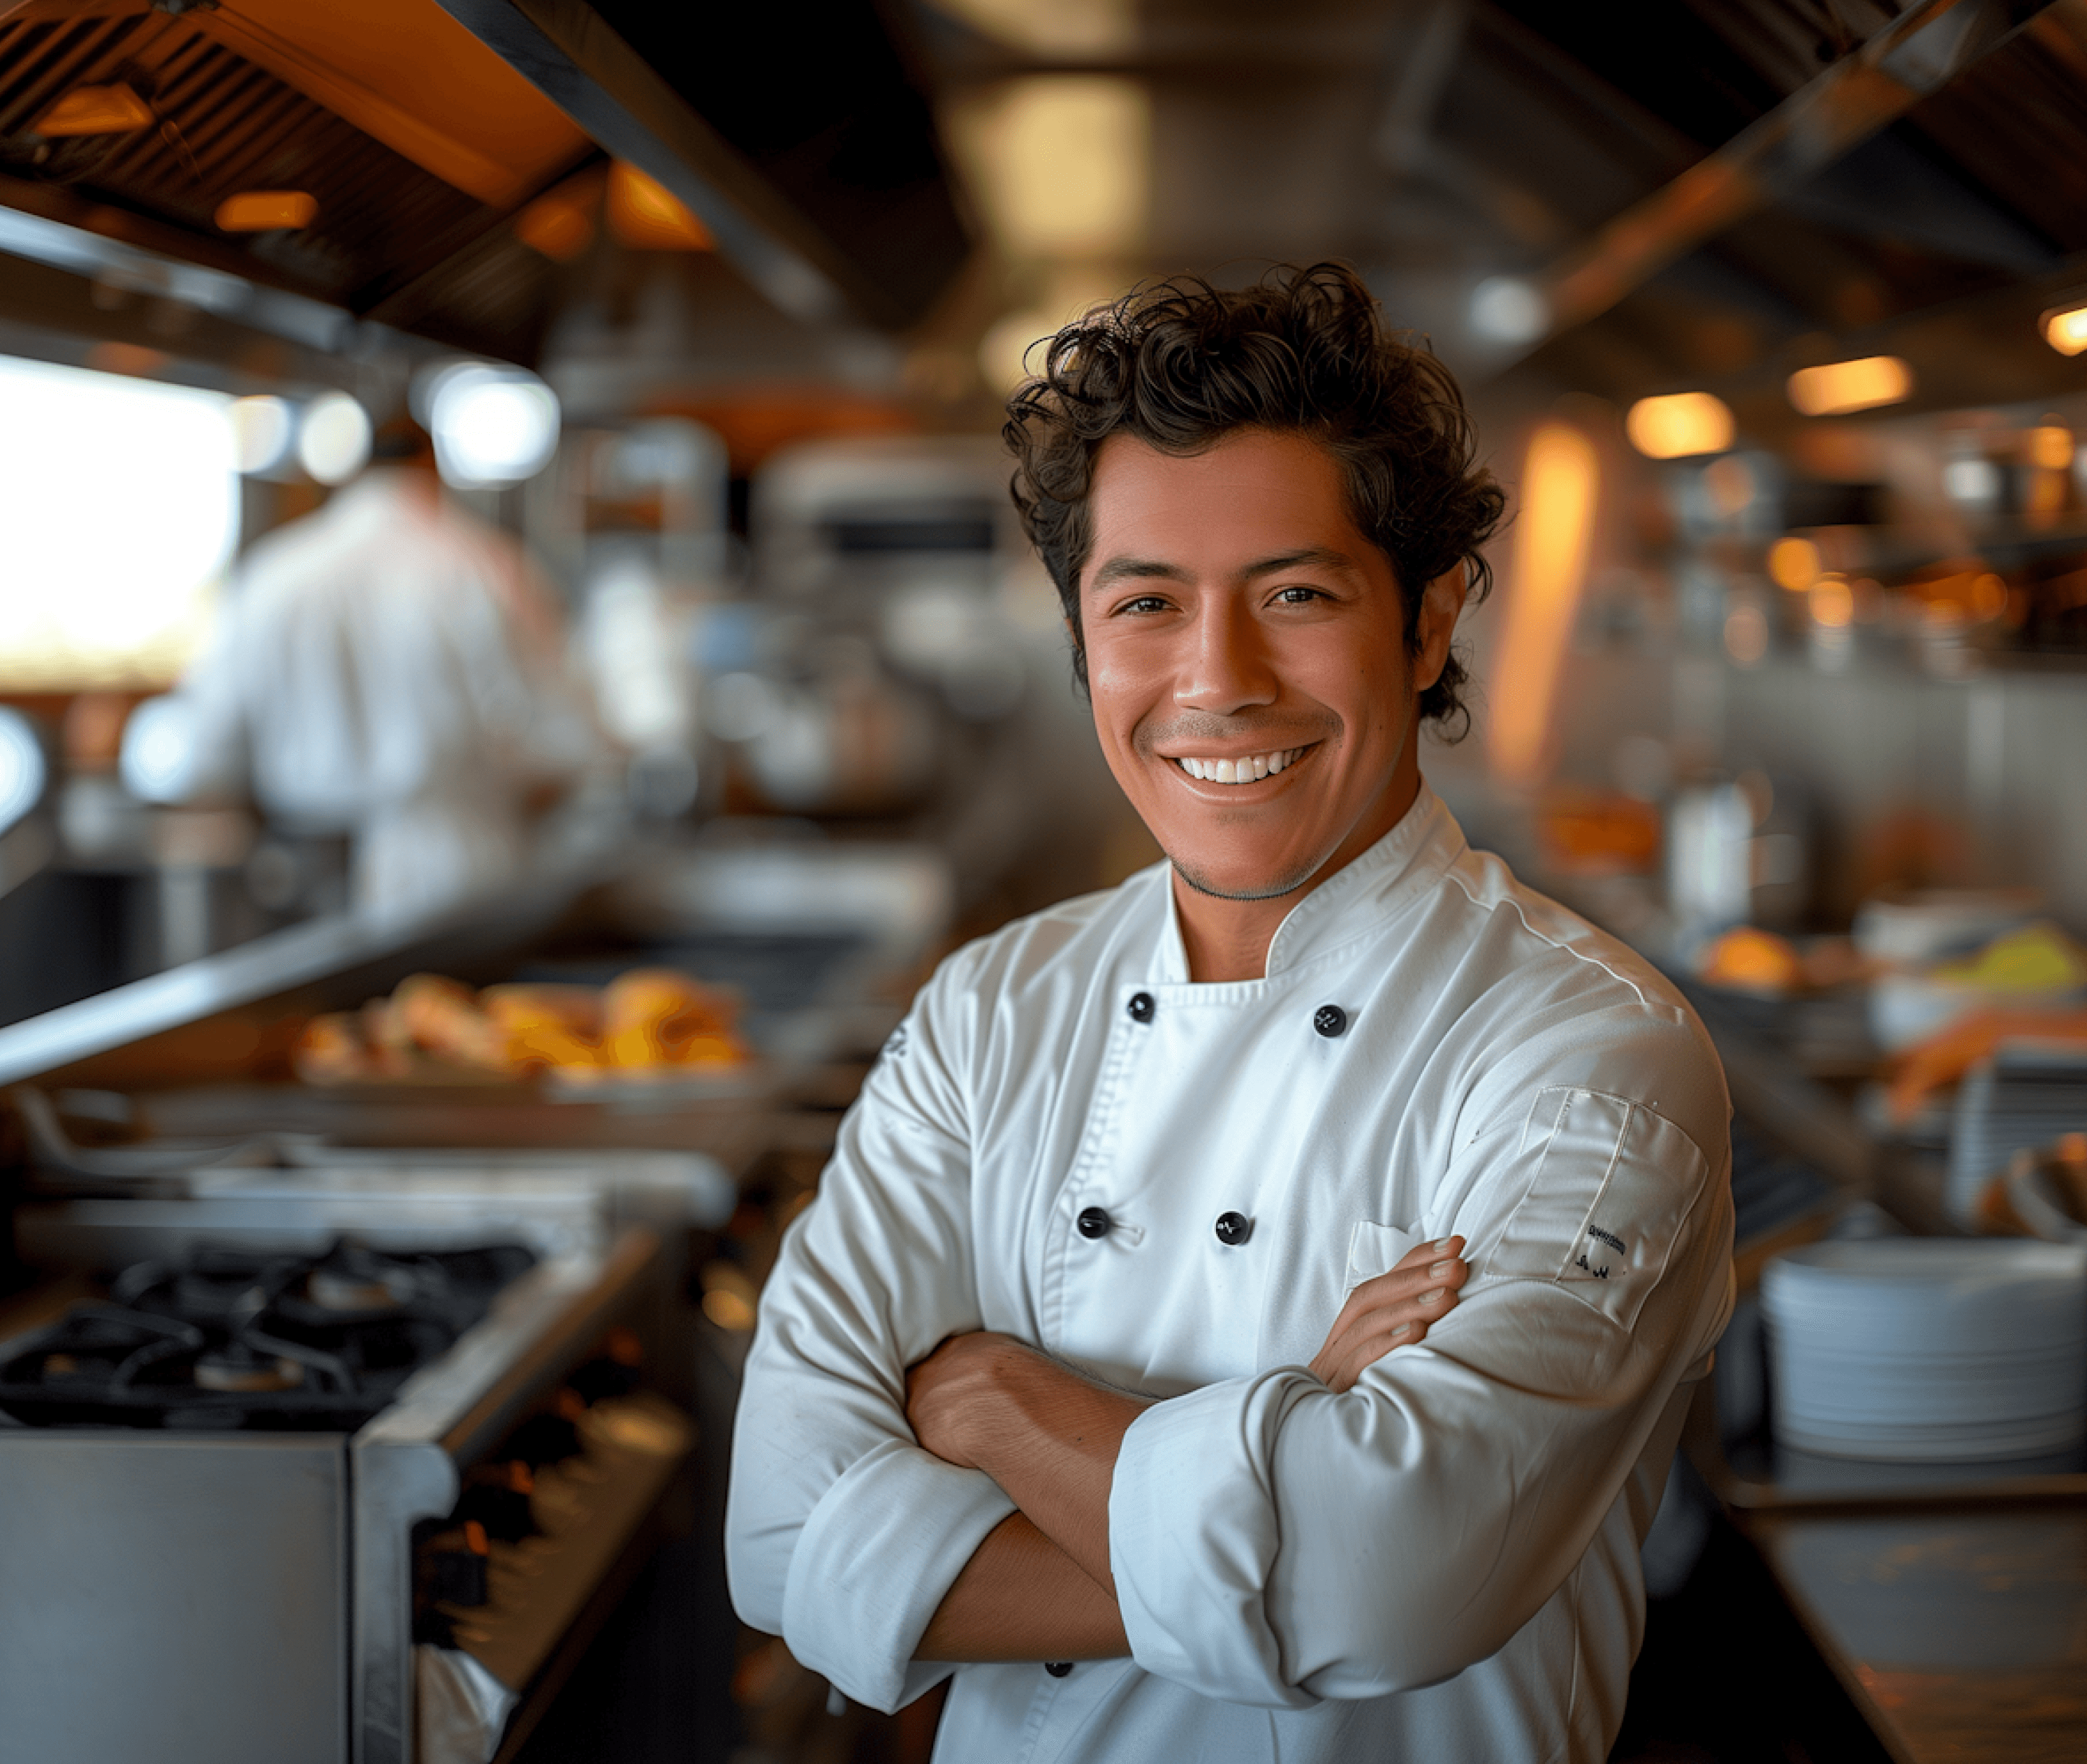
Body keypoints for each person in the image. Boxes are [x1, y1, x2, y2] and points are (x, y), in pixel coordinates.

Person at [726, 263, 1734, 1761]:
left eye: (1297, 594)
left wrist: (997, 1404)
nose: (1217, 680)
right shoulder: (988, 1015)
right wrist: (1296, 1442)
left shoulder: (1589, 1059)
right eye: (1146, 603)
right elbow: (784, 1544)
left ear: (1429, 616)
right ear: (1082, 636)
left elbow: (1379, 1592)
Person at [136, 420, 592, 921]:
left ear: (352, 469)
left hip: (300, 878)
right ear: (432, 463)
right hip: (460, 869)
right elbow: (569, 737)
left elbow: (203, 752)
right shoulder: (484, 567)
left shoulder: (275, 574)